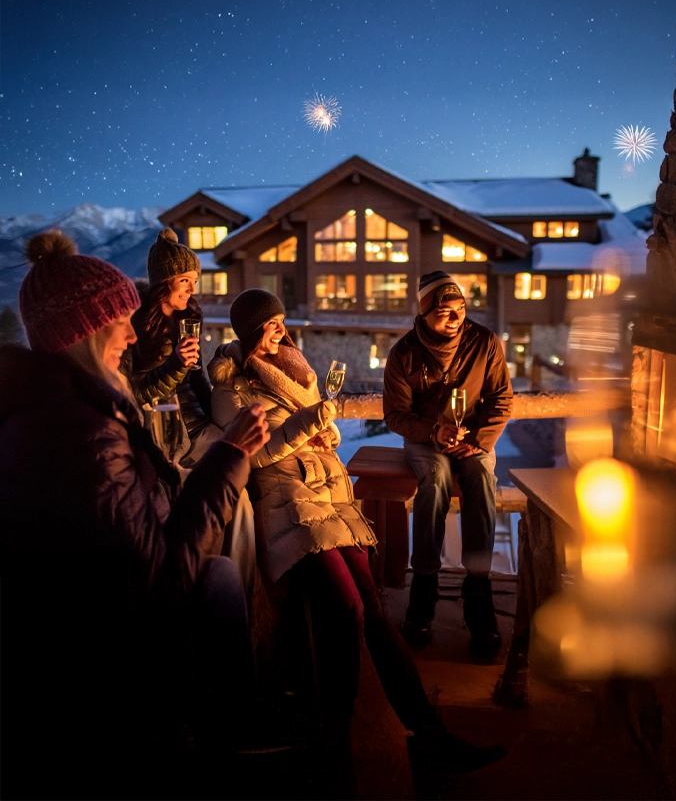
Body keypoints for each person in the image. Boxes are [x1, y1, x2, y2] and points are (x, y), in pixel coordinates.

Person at [0, 231, 269, 796]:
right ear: (85, 333)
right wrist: (229, 456)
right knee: (218, 575)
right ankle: (223, 742)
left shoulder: (65, 408)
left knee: (220, 569)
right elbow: (156, 578)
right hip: (104, 640)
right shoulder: (84, 434)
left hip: (87, 608)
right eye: (118, 319)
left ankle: (225, 724)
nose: (130, 328)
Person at [208, 288, 508, 778]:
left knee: (372, 610)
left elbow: (307, 434)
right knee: (346, 609)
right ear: (250, 331)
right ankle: (335, 739)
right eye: (271, 325)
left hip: (327, 501)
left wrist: (323, 433)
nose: (281, 331)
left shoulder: (289, 370)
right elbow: (255, 454)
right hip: (289, 511)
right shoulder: (231, 389)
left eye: (282, 321)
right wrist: (311, 423)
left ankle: (429, 738)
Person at [383, 270, 513, 658]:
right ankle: (423, 590)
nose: (455, 317)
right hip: (427, 438)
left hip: (472, 437)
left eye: (460, 309)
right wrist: (434, 432)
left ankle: (478, 592)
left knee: (479, 480)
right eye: (444, 311)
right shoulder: (404, 353)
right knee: (436, 480)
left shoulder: (484, 342)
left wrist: (476, 442)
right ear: (424, 313)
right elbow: (395, 415)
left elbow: (501, 400)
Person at [124, 227, 223, 467]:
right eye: (184, 281)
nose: (192, 290)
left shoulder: (188, 318)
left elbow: (196, 376)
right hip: (164, 429)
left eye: (195, 281)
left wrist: (216, 419)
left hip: (196, 423)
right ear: (163, 282)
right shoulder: (133, 324)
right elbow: (133, 394)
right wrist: (176, 364)